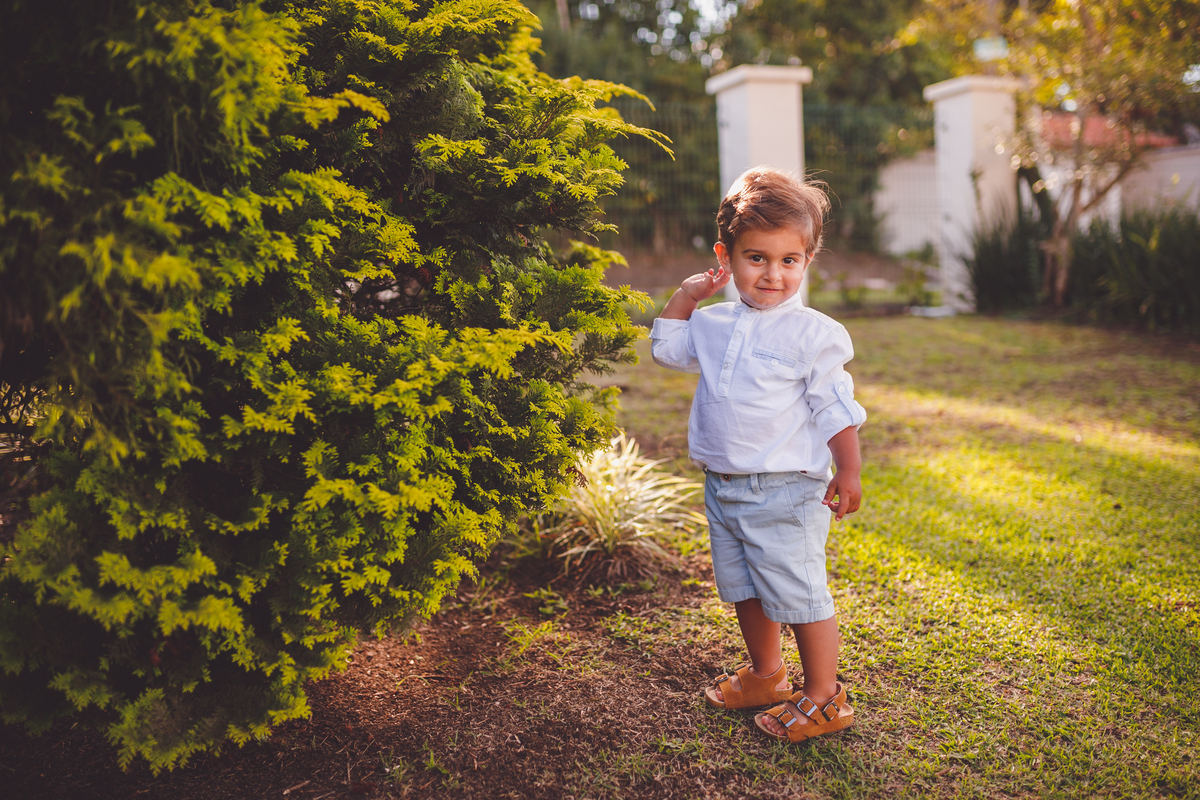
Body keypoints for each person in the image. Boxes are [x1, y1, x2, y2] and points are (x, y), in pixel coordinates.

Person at [649, 166, 866, 743]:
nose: (772, 274)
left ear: (807, 260)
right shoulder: (714, 322)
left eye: (788, 260)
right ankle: (769, 676)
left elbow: (834, 407)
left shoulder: (813, 335)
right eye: (756, 258)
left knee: (798, 594)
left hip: (785, 490)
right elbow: (668, 350)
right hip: (723, 485)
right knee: (745, 588)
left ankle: (825, 698)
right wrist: (689, 295)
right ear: (728, 256)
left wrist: (848, 469)